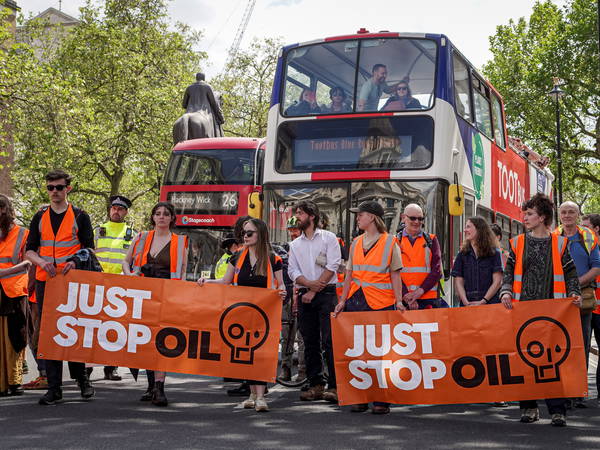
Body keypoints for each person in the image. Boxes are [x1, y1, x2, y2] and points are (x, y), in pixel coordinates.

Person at [499, 193, 582, 427]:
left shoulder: (560, 242)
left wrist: (574, 294)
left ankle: (558, 410)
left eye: (530, 214)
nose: (525, 218)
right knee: (524, 360)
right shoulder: (517, 242)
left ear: (542, 217)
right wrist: (505, 292)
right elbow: (508, 272)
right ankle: (529, 408)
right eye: (525, 213)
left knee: (552, 362)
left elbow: (570, 273)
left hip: (553, 311)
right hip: (522, 310)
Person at [197, 218, 286, 412]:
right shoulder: (236, 257)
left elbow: (281, 285)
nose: (245, 236)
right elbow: (225, 281)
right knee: (247, 354)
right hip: (242, 312)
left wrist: (282, 292)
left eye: (249, 233)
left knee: (261, 354)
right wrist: (207, 282)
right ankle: (253, 394)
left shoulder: (273, 259)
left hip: (265, 314)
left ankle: (261, 396)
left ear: (260, 234)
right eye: (244, 233)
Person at [25, 169, 96, 405]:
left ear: (68, 188)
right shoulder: (40, 216)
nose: (54, 192)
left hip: (72, 281)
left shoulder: (80, 215)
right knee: (50, 335)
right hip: (47, 281)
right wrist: (41, 263)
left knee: (72, 331)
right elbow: (29, 251)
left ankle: (82, 380)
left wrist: (74, 261)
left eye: (59, 187)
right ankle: (54, 389)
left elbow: (89, 249)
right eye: (50, 188)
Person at [333, 201, 405, 414]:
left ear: (372, 217)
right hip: (356, 301)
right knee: (359, 352)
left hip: (381, 303)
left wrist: (399, 300)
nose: (357, 218)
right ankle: (361, 397)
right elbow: (349, 275)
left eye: (361, 215)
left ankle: (381, 399)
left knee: (381, 353)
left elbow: (395, 275)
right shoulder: (355, 242)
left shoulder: (390, 242)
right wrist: (342, 300)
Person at [122, 201, 188, 407]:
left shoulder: (180, 242)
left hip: (166, 296)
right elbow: (126, 261)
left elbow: (183, 271)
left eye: (165, 214)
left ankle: (159, 388)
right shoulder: (141, 238)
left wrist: (180, 296)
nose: (161, 217)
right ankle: (150, 385)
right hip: (142, 294)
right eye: (157, 213)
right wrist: (130, 275)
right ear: (153, 217)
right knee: (144, 339)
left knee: (161, 340)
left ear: (171, 218)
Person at [288, 201, 341, 403]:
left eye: (300, 213)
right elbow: (292, 271)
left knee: (329, 341)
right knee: (309, 341)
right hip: (305, 294)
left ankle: (335, 386)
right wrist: (309, 287)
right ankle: (315, 384)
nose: (297, 217)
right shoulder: (294, 244)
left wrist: (314, 288)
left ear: (312, 216)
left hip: (326, 294)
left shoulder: (328, 238)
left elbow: (334, 264)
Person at [554, 202, 600, 408]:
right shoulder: (553, 236)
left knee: (580, 344)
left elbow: (596, 267)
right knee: (560, 346)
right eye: (563, 212)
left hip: (582, 300)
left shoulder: (588, 237)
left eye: (571, 212)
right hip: (557, 300)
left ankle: (577, 392)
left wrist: (575, 283)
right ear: (559, 215)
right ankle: (562, 390)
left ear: (578, 214)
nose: (567, 215)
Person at [92, 195, 134, 382]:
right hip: (97, 284)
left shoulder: (132, 234)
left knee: (114, 329)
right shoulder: (98, 230)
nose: (116, 211)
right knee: (92, 328)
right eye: (114, 208)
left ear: (125, 212)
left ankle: (112, 368)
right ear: (110, 210)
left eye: (120, 209)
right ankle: (87, 369)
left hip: (120, 288)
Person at [0, 195, 30, 397]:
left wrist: (2, 273)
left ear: (7, 210)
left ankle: (14, 381)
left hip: (15, 291)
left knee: (14, 337)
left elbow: (28, 262)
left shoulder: (23, 233)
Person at [397, 204, 443, 309]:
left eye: (420, 218)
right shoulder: (395, 241)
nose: (417, 222)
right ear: (403, 218)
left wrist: (418, 292)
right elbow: (392, 272)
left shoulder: (431, 240)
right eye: (413, 218)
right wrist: (406, 296)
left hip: (428, 299)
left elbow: (437, 270)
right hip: (403, 300)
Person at [452, 217, 503, 306]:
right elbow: (458, 280)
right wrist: (466, 302)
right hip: (467, 305)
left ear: (479, 229)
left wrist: (483, 301)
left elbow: (498, 281)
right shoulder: (462, 254)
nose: (465, 230)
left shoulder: (494, 253)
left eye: (468, 227)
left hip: (490, 304)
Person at [279, 216, 305, 382]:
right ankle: (286, 368)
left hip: (302, 294)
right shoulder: (283, 250)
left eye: (295, 229)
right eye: (290, 230)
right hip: (287, 297)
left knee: (302, 336)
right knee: (286, 335)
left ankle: (302, 371)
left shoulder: (306, 248)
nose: (292, 233)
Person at [582, 213, 600, 403]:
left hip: (597, 309)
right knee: (581, 350)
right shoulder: (585, 247)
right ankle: (579, 392)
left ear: (596, 229)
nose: (582, 229)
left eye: (586, 226)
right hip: (586, 307)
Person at [182, 72, 224, 136]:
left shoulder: (189, 88)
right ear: (204, 78)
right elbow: (214, 103)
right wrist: (220, 116)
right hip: (204, 114)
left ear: (196, 78)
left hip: (188, 112)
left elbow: (184, 105)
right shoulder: (207, 87)